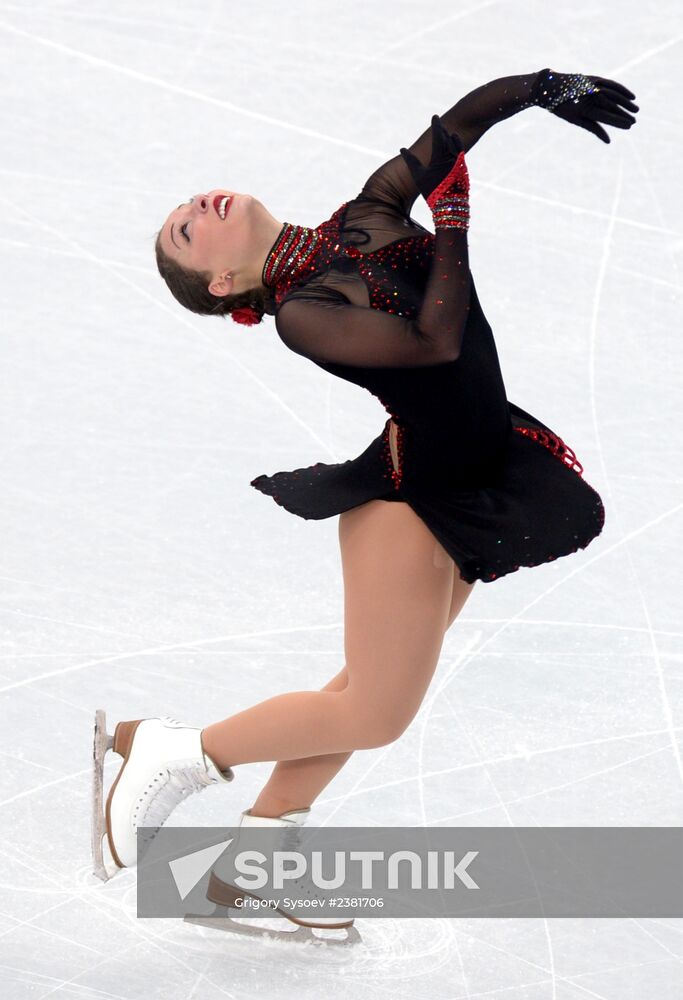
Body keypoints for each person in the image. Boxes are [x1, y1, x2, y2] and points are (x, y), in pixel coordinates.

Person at [91, 69, 638, 932]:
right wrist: (453, 220)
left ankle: (256, 863)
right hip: (407, 501)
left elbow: (454, 125)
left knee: (363, 686)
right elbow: (433, 343)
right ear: (225, 286)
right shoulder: (304, 313)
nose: (196, 208)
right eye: (184, 233)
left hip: (476, 479)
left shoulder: (367, 216)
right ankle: (176, 752)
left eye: (190, 205)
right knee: (376, 712)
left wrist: (541, 87)